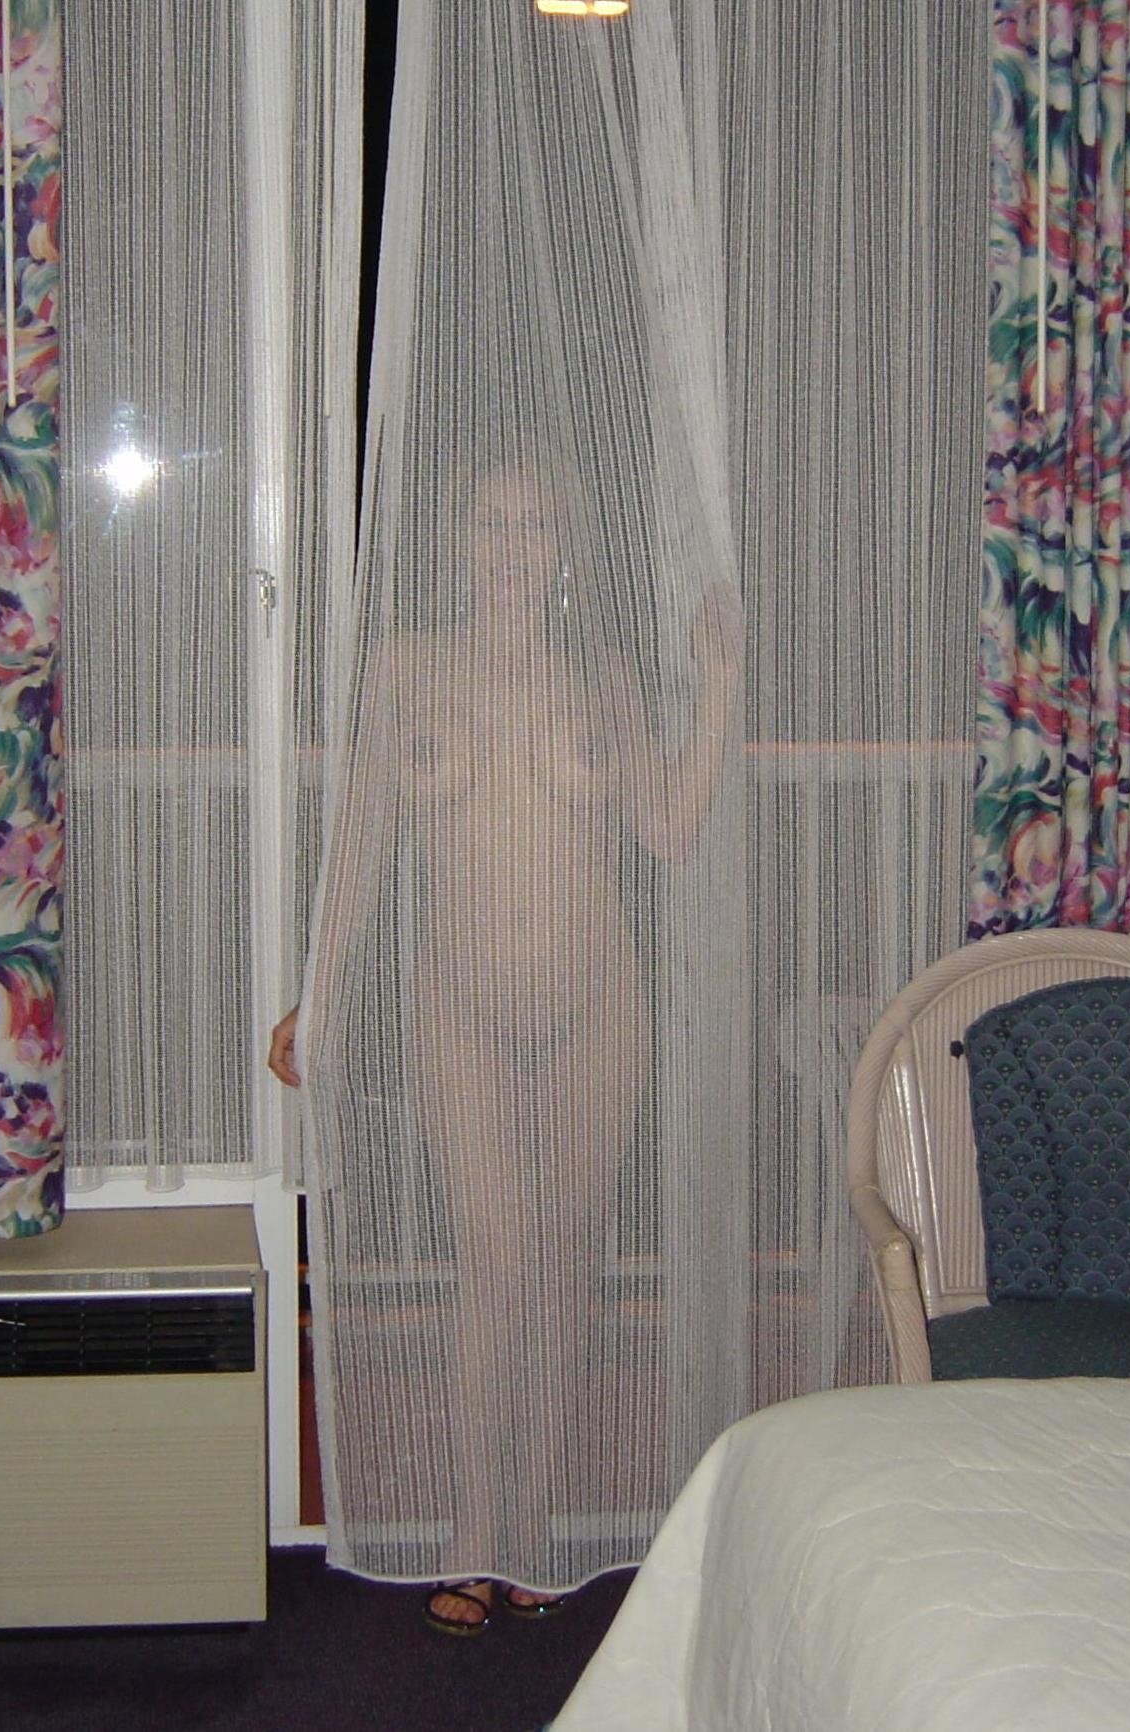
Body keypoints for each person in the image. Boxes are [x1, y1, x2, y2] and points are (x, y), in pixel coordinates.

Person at [269, 457, 741, 1636]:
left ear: (565, 547)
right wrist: (317, 999)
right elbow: (361, 842)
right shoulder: (406, 667)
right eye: (491, 522)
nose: (513, 546)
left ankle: (531, 1522)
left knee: (567, 1258)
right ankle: (473, 1524)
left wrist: (721, 687)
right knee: (493, 1249)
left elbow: (669, 832)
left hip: (598, 1006)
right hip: (459, 1006)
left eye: (536, 525)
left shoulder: (604, 674)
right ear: (456, 539)